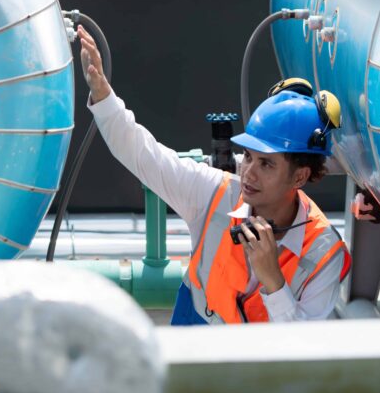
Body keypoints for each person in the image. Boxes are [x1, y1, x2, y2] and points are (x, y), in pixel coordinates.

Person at [77, 25, 350, 324]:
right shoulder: (214, 193)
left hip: (260, 367)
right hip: (191, 343)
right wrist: (102, 94)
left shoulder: (324, 253)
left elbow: (303, 351)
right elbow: (144, 156)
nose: (248, 173)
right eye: (248, 156)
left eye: (266, 164)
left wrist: (274, 282)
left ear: (300, 177)